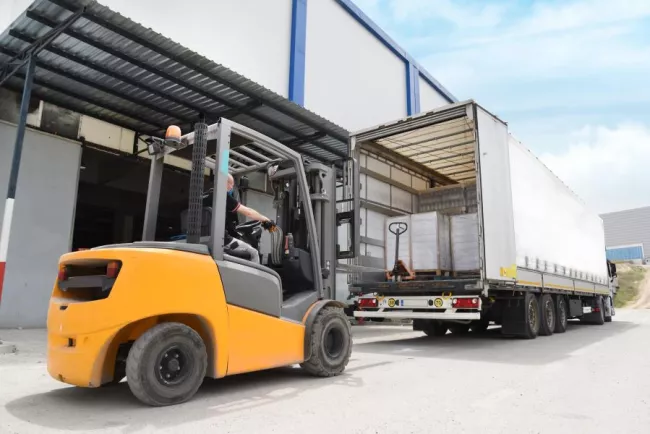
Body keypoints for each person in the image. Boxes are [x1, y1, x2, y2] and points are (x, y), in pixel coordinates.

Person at [223, 174, 274, 263]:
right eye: (231, 184)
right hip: (224, 241)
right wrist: (265, 219)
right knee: (254, 253)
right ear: (224, 182)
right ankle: (256, 276)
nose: (231, 187)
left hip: (212, 239)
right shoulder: (223, 196)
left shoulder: (209, 194)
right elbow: (248, 212)